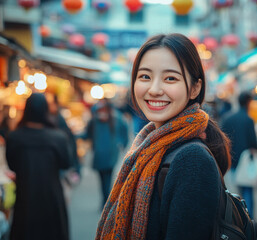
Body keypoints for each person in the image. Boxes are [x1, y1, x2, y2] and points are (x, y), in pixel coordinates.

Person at [95, 33, 231, 240]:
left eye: (170, 78)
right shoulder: (147, 146)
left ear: (195, 88)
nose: (155, 89)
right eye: (145, 77)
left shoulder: (192, 160)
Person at [5, 93, 70, 240]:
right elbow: (66, 163)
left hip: (25, 198)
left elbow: (12, 165)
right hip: (52, 198)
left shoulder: (14, 137)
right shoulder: (58, 138)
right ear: (45, 110)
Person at [220, 91, 257, 218]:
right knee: (247, 189)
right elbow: (253, 142)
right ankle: (248, 219)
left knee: (236, 190)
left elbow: (223, 139)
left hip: (232, 158)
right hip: (246, 160)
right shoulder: (248, 120)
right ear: (248, 102)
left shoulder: (228, 118)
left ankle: (238, 217)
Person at [81, 98, 128, 208]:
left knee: (107, 179)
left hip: (110, 155)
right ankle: (106, 201)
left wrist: (121, 144)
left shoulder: (116, 118)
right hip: (99, 155)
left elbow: (124, 132)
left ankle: (106, 202)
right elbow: (87, 135)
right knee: (103, 179)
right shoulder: (94, 121)